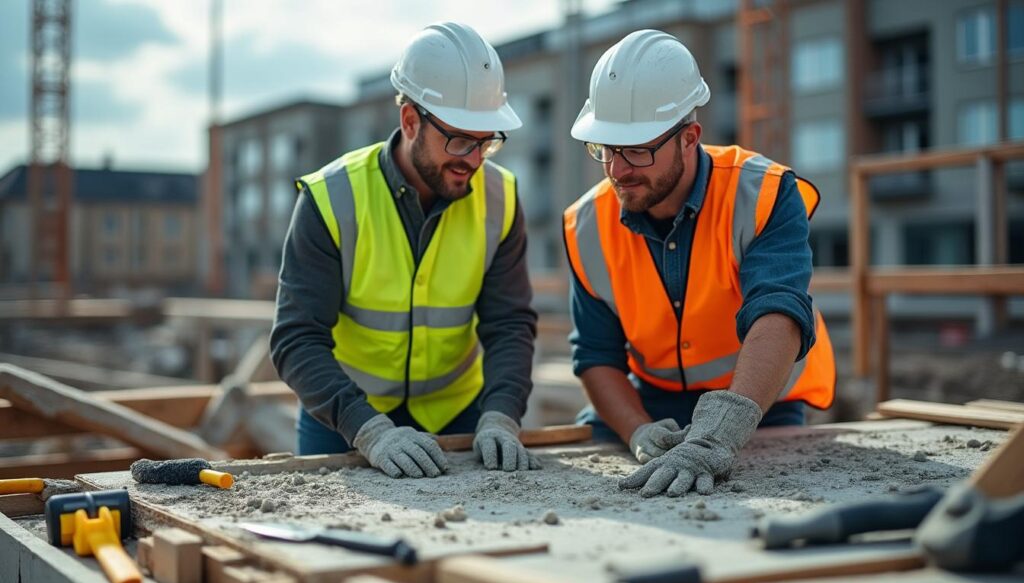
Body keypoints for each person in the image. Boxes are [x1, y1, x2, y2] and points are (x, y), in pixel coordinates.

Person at [562, 29, 836, 497]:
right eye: (605, 148)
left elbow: (779, 313)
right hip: (651, 404)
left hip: (759, 401)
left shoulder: (763, 193)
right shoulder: (586, 223)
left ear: (689, 138)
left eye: (637, 149)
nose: (617, 170)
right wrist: (636, 430)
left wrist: (718, 435)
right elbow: (596, 356)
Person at [270, 22, 539, 478]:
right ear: (411, 120)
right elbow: (297, 339)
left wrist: (502, 414)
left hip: (460, 414)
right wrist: (369, 430)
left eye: (487, 142)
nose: (474, 159)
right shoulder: (331, 199)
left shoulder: (501, 198)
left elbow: (509, 324)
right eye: (460, 140)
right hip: (344, 417)